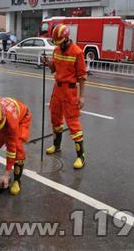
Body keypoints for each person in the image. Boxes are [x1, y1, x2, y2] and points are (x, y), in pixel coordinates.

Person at [41, 24, 87, 169]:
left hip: (70, 91)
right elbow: (54, 68)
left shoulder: (77, 52)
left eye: (60, 43)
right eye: (57, 44)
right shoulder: (56, 50)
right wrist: (47, 63)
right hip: (57, 89)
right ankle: (56, 145)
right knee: (55, 118)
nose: (59, 46)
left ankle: (81, 156)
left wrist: (82, 97)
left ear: (67, 39)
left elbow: (82, 76)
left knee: (73, 123)